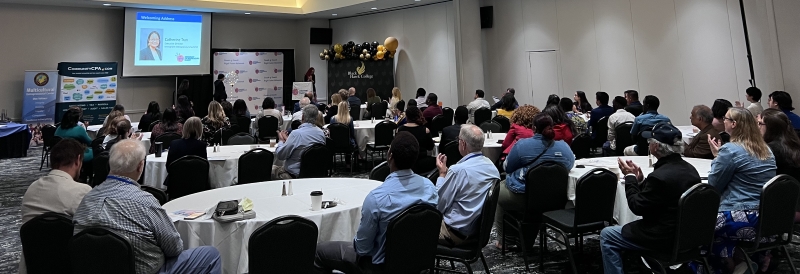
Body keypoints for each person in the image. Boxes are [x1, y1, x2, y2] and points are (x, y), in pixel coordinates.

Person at [73, 139, 221, 273]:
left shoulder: (87, 199)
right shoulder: (145, 202)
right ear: (140, 166)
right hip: (146, 270)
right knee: (211, 255)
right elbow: (175, 248)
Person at [313, 132, 438, 273]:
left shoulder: (377, 198)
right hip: (417, 262)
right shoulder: (430, 188)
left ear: (389, 156)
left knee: (318, 251)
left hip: (378, 267)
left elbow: (362, 248)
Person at [599, 122, 700, 274]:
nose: (648, 143)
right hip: (689, 235)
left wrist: (630, 178)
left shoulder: (659, 176)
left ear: (656, 147)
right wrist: (641, 181)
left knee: (607, 234)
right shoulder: (690, 170)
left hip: (662, 238)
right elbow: (661, 196)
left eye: (650, 141)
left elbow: (637, 207)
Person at [701, 107, 776, 273]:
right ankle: (742, 260)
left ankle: (726, 266)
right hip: (768, 218)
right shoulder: (766, 150)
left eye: (725, 119)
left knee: (699, 223)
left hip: (741, 217)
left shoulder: (730, 150)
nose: (723, 121)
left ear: (733, 124)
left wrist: (717, 158)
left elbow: (713, 185)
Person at [494, 114, 575, 243]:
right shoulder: (564, 147)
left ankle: (504, 240)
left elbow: (507, 167)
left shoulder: (522, 146)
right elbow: (569, 166)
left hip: (526, 197)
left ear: (533, 128)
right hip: (556, 199)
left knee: (497, 193)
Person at [18, 139, 92, 274]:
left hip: (33, 265)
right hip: (71, 264)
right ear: (78, 160)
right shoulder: (83, 191)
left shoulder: (31, 189)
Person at [435, 125, 500, 246]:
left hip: (455, 234)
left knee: (414, 226)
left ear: (463, 144)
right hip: (478, 233)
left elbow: (439, 206)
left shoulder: (458, 170)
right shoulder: (492, 167)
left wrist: (442, 174)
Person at [273, 105, 326, 179]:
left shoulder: (296, 134)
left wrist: (281, 141)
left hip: (294, 175)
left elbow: (281, 155)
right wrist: (288, 140)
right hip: (316, 173)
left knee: (270, 169)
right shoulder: (321, 134)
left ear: (303, 117)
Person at [397, 107, 436, 173]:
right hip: (422, 162)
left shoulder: (400, 130)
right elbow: (430, 147)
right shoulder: (425, 130)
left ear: (406, 116)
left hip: (405, 163)